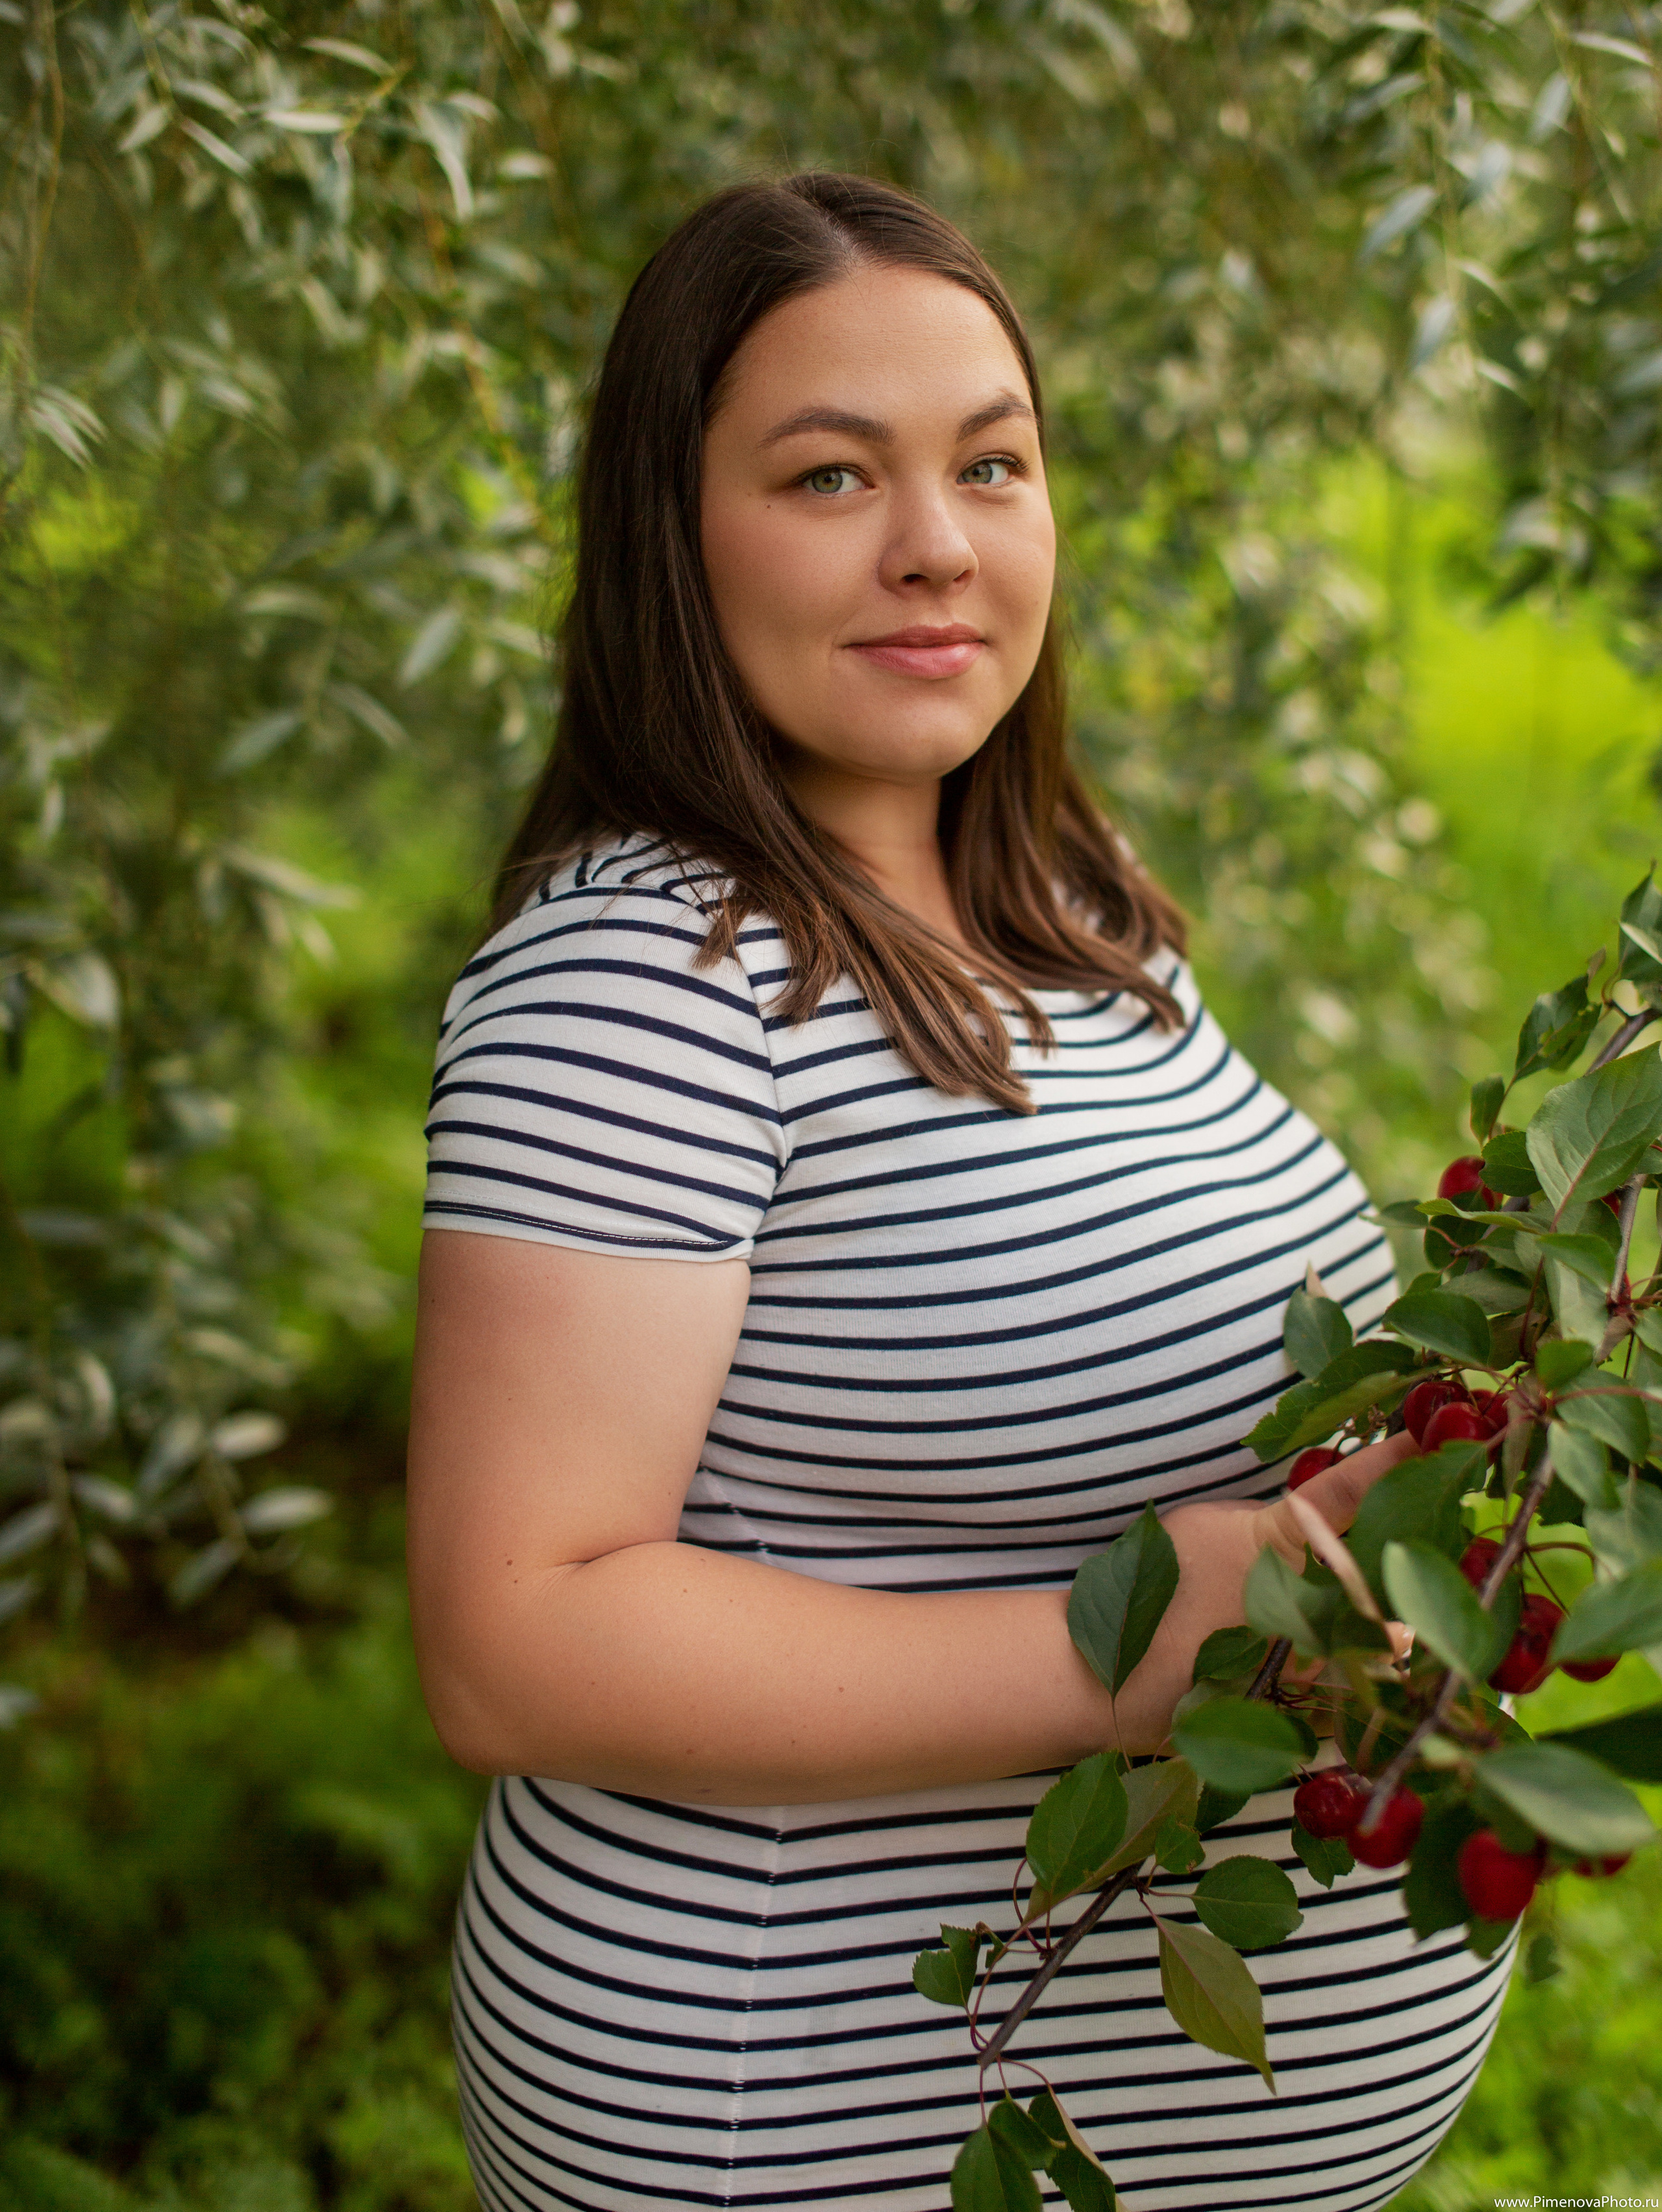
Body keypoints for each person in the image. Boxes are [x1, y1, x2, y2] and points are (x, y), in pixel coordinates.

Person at [406, 173, 1507, 2212]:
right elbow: (514, 1639)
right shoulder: (647, 982)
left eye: (991, 464)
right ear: (672, 534)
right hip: (802, 2114)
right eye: (830, 475)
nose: (937, 542)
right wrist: (1157, 1639)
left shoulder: (1068, 903)